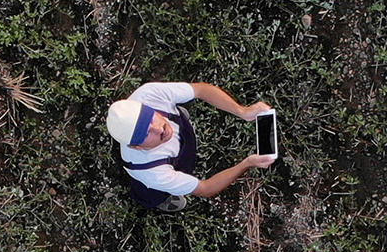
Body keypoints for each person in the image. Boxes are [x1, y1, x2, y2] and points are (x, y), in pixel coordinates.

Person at [105, 81, 275, 212]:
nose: (159, 128)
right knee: (151, 193)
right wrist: (247, 163)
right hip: (162, 170)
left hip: (175, 142)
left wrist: (242, 111)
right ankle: (161, 199)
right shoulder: (152, 172)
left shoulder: (149, 94)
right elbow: (205, 188)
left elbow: (200, 90)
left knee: (176, 120)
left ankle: (178, 117)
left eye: (150, 118)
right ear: (137, 147)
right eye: (146, 133)